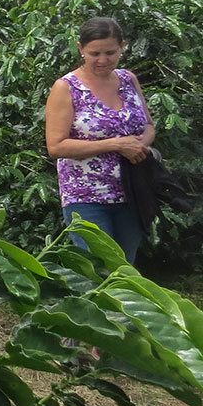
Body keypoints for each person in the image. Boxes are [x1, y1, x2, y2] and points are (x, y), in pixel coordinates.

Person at [45, 17, 154, 263]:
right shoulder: (66, 87)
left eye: (110, 52)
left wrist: (140, 145)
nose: (103, 60)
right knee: (98, 269)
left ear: (122, 46)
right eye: (94, 53)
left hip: (132, 190)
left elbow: (148, 125)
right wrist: (116, 144)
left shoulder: (128, 79)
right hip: (86, 196)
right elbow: (56, 146)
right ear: (80, 48)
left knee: (125, 267)